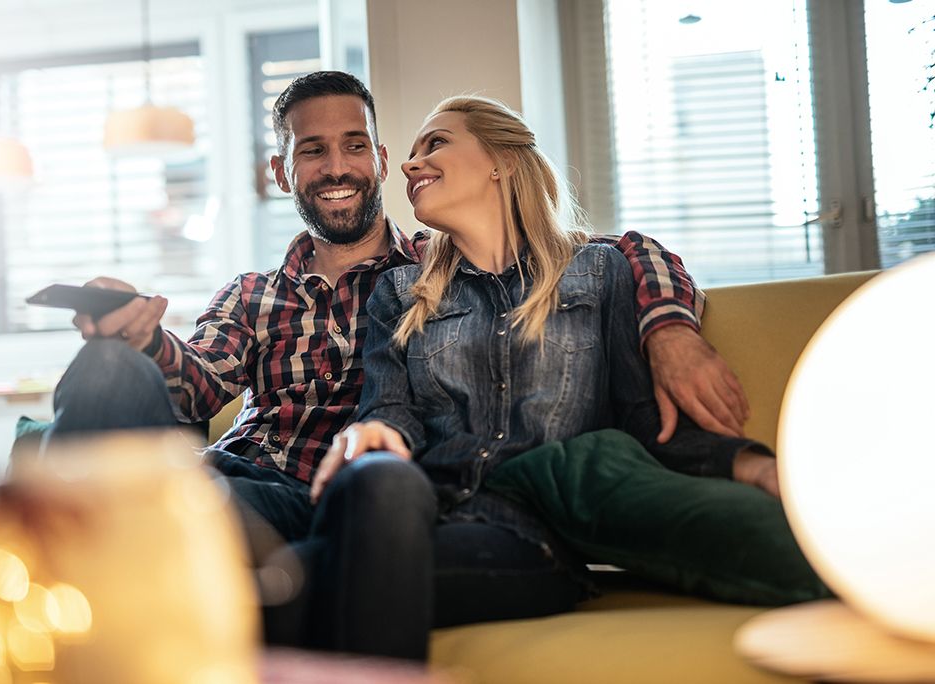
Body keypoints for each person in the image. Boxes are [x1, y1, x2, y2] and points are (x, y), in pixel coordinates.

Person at [50, 72, 748, 659]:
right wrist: (138, 336)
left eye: (355, 145)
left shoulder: (434, 270)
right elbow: (196, 381)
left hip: (373, 503)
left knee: (367, 501)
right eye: (312, 150)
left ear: (379, 160)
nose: (336, 166)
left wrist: (667, 327)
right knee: (111, 371)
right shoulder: (254, 294)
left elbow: (595, 254)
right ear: (282, 171)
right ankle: (61, 602)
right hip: (258, 492)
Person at [310, 95, 827, 656]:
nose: (409, 166)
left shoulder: (597, 272)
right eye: (409, 155)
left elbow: (642, 416)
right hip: (414, 503)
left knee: (299, 591)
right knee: (372, 480)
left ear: (500, 161)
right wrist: (375, 432)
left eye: (435, 143)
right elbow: (389, 411)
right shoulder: (400, 292)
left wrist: (749, 465)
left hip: (522, 534)